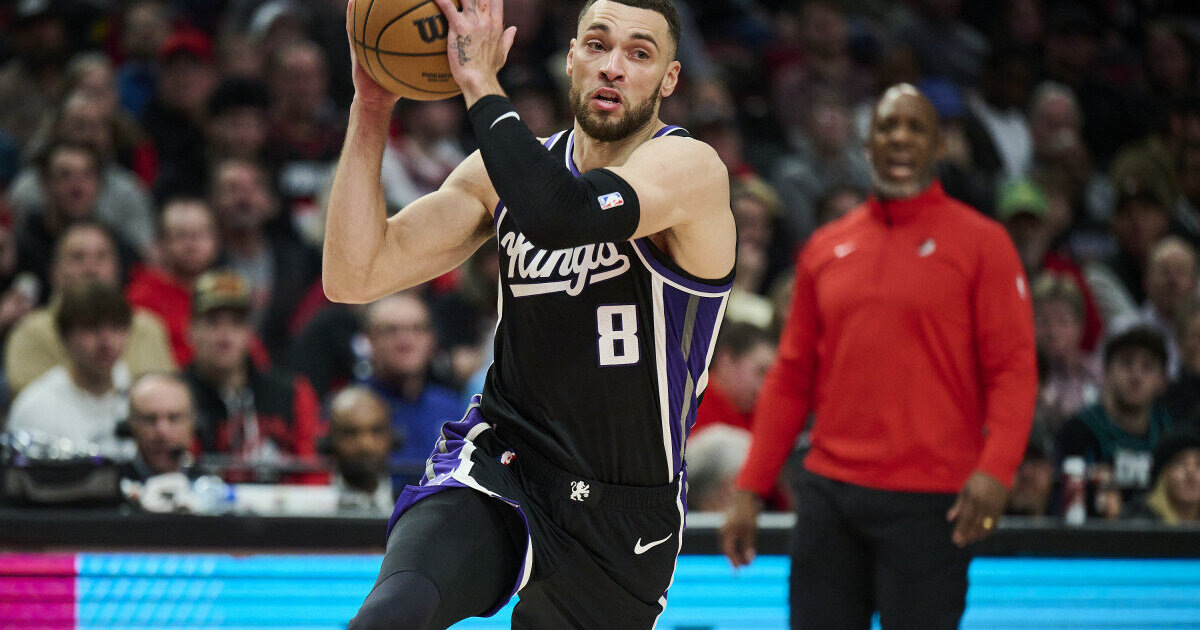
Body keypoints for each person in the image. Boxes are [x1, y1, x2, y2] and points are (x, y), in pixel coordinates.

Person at [329, 0, 735, 627]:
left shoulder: (689, 168)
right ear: (570, 58)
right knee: (392, 614)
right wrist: (372, 108)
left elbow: (560, 213)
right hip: (504, 462)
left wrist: (479, 82)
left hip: (624, 509)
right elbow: (354, 274)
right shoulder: (503, 172)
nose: (613, 66)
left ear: (668, 79)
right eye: (597, 44)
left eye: (639, 53)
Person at [721, 84, 1037, 630]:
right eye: (887, 127)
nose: (900, 138)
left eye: (916, 127)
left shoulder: (984, 244)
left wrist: (996, 470)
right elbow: (791, 378)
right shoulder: (825, 247)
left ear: (939, 145)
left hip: (933, 501)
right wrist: (751, 486)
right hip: (830, 494)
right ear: (866, 146)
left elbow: (1014, 369)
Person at [183, 270, 323, 483]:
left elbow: (311, 472)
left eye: (236, 322)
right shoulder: (176, 396)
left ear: (250, 331)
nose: (225, 334)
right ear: (191, 330)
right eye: (213, 322)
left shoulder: (292, 392)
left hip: (281, 502)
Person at [5, 221, 174, 396]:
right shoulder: (29, 332)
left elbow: (165, 398)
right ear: (54, 272)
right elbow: (30, 403)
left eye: (101, 257)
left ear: (117, 269)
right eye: (78, 257)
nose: (91, 268)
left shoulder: (147, 328)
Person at [6, 282, 133, 455]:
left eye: (116, 328)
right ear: (65, 337)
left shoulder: (142, 398)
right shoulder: (35, 407)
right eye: (92, 328)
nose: (106, 342)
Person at [1056, 326, 1174, 506]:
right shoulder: (1077, 432)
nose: (1136, 376)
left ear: (1163, 381)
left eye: (1147, 367)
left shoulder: (1172, 435)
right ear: (1105, 372)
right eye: (1126, 363)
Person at [358, 292, 460, 478]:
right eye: (391, 330)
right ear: (370, 340)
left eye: (417, 329)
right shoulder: (351, 411)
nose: (406, 341)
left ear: (431, 340)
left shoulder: (453, 410)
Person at [326, 385, 395, 515]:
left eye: (376, 431)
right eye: (350, 433)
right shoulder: (308, 510)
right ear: (330, 441)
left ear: (392, 437)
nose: (366, 445)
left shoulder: (415, 507)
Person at [120, 372, 199, 482]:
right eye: (150, 419)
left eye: (173, 418)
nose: (162, 431)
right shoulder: (111, 485)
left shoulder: (211, 484)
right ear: (132, 425)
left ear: (191, 424)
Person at [1124, 430, 1200, 524]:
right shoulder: (1140, 521)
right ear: (1162, 475)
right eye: (1179, 463)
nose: (1191, 472)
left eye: (1199, 464)